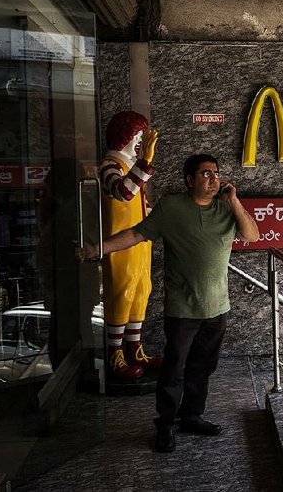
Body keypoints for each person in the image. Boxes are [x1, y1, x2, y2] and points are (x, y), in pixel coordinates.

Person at [78, 154, 259, 453]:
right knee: (174, 369)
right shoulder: (172, 208)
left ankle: (191, 416)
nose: (213, 179)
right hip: (183, 309)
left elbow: (252, 235)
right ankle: (165, 424)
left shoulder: (226, 209)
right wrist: (97, 249)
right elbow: (135, 234)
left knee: (203, 367)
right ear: (189, 180)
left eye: (216, 173)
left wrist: (234, 200)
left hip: (217, 308)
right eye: (205, 174)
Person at [99, 111, 161, 380]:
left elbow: (138, 201)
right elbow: (123, 193)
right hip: (119, 243)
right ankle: (115, 353)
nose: (140, 142)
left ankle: (135, 348)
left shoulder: (131, 165)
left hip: (140, 242)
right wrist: (145, 162)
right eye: (137, 136)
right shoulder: (110, 165)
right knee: (120, 294)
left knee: (140, 291)